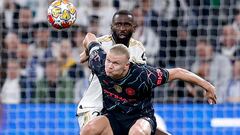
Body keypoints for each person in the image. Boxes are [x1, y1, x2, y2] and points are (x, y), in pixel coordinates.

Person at [80, 33, 217, 135]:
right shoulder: (99, 62)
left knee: (137, 133)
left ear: (126, 66)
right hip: (113, 117)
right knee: (88, 129)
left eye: (115, 63)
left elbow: (178, 72)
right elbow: (89, 37)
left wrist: (208, 86)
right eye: (109, 61)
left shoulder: (143, 76)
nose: (109, 66)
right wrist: (86, 52)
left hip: (140, 118)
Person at [76, 10, 146, 128]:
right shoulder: (102, 43)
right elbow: (82, 57)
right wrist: (89, 51)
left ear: (134, 28)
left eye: (126, 25)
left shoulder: (138, 48)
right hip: (94, 105)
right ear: (111, 26)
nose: (122, 28)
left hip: (119, 109)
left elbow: (138, 79)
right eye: (118, 24)